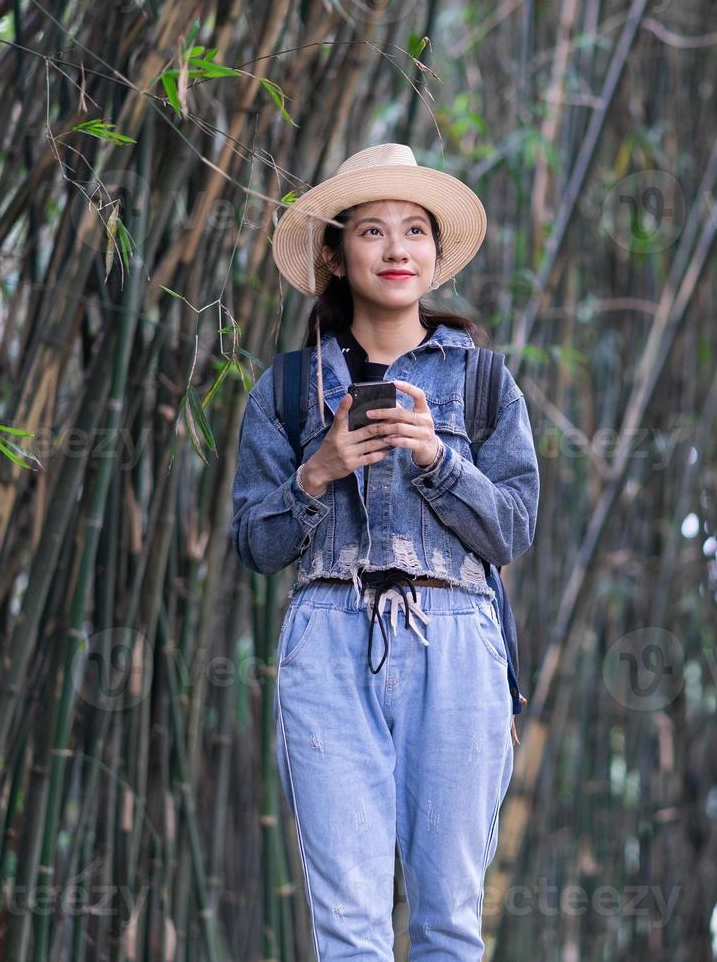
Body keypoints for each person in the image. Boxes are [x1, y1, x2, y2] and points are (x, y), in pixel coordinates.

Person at [228, 142, 539, 959]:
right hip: (328, 635)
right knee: (349, 929)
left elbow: (512, 528)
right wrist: (317, 472)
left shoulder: (484, 382)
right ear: (333, 254)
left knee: (448, 923)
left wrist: (440, 461)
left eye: (414, 231)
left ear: (436, 253)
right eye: (371, 231)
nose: (396, 250)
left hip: (458, 639)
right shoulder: (288, 387)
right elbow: (254, 545)